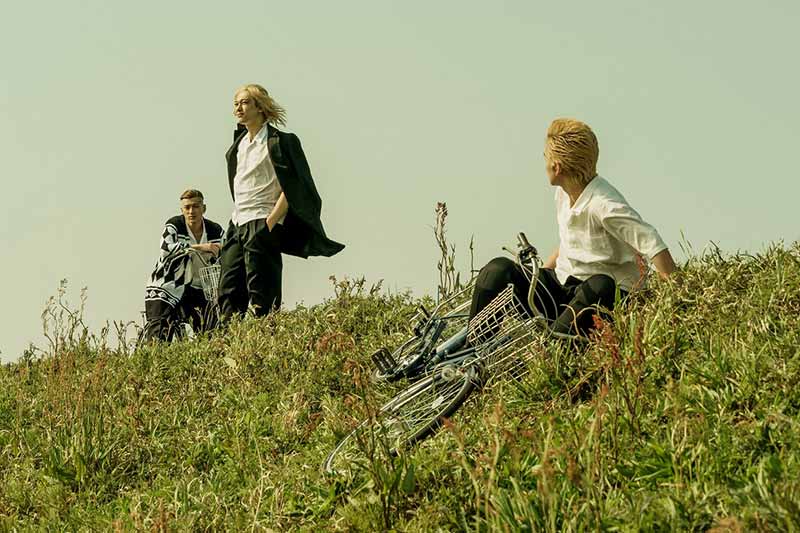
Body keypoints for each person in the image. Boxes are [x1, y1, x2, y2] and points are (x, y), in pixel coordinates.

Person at [469, 118, 676, 337]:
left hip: (603, 300)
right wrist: (540, 277)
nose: (544, 163)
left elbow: (652, 242)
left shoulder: (604, 204)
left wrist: (674, 301)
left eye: (545, 157)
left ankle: (551, 348)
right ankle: (472, 349)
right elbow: (569, 243)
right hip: (564, 291)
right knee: (497, 270)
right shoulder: (563, 193)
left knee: (601, 285)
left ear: (556, 168)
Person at [217, 83, 344, 320]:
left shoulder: (280, 141)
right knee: (228, 288)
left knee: (262, 290)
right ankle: (228, 337)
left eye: (244, 102)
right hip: (237, 222)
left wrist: (271, 222)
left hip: (261, 220)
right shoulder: (239, 145)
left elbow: (295, 185)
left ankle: (266, 333)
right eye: (236, 104)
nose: (238, 108)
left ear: (260, 107)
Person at [143, 189, 225, 341]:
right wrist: (201, 247)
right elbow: (165, 249)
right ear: (182, 210)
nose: (191, 211)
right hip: (167, 287)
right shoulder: (174, 225)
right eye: (187, 207)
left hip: (199, 287)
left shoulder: (215, 230)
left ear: (204, 208)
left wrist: (219, 251)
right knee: (159, 334)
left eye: (196, 206)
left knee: (210, 332)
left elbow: (226, 251)